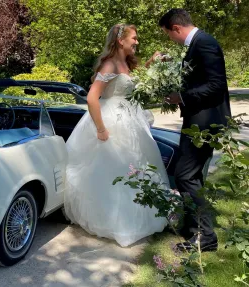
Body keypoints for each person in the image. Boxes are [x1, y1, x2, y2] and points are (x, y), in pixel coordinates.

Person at [63, 24, 169, 247]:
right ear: (121, 40)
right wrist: (101, 129)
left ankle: (143, 214)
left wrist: (151, 63)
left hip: (130, 121)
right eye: (134, 38)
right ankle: (116, 221)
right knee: (114, 169)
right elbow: (92, 98)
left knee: (136, 167)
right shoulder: (109, 63)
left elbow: (133, 85)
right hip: (111, 122)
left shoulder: (126, 63)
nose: (137, 42)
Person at [158, 8, 231, 252]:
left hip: (205, 123)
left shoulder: (204, 43)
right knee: (194, 175)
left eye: (169, 34)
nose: (171, 39)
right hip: (198, 121)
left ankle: (205, 236)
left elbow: (216, 85)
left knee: (185, 175)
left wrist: (181, 97)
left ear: (176, 28)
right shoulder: (198, 44)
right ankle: (194, 228)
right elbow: (199, 77)